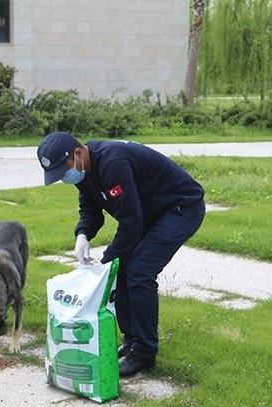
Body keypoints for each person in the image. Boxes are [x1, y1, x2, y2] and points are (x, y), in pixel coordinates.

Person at [37, 132, 206, 377]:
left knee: (140, 269)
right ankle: (132, 341)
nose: (64, 176)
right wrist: (82, 235)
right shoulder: (85, 171)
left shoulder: (112, 164)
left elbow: (131, 222)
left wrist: (107, 259)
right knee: (123, 268)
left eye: (64, 169)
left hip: (181, 209)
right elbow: (91, 207)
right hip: (151, 212)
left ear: (78, 153)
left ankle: (145, 352)